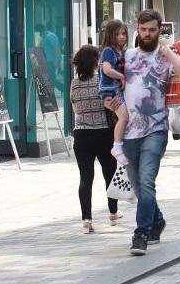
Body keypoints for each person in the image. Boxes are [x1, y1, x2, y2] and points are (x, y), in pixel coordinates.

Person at [105, 9, 180, 255]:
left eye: (152, 30)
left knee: (146, 181)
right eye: (143, 30)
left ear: (159, 30)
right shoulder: (128, 55)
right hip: (129, 131)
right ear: (137, 30)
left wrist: (167, 52)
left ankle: (140, 233)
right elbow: (113, 83)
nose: (147, 34)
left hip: (155, 128)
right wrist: (111, 102)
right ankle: (157, 220)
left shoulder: (166, 55)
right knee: (138, 185)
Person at [71, 45, 121, 234]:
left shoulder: (74, 83)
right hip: (103, 133)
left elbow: (75, 108)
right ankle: (113, 213)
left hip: (81, 135)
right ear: (95, 62)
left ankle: (86, 220)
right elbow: (110, 105)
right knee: (109, 174)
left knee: (85, 178)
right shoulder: (101, 81)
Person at [99, 20, 130, 164]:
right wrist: (121, 76)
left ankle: (120, 145)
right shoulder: (108, 51)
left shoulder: (120, 51)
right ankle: (117, 146)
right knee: (124, 118)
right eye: (118, 34)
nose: (122, 37)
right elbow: (107, 69)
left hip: (115, 89)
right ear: (111, 35)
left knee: (124, 118)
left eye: (124, 33)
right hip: (110, 90)